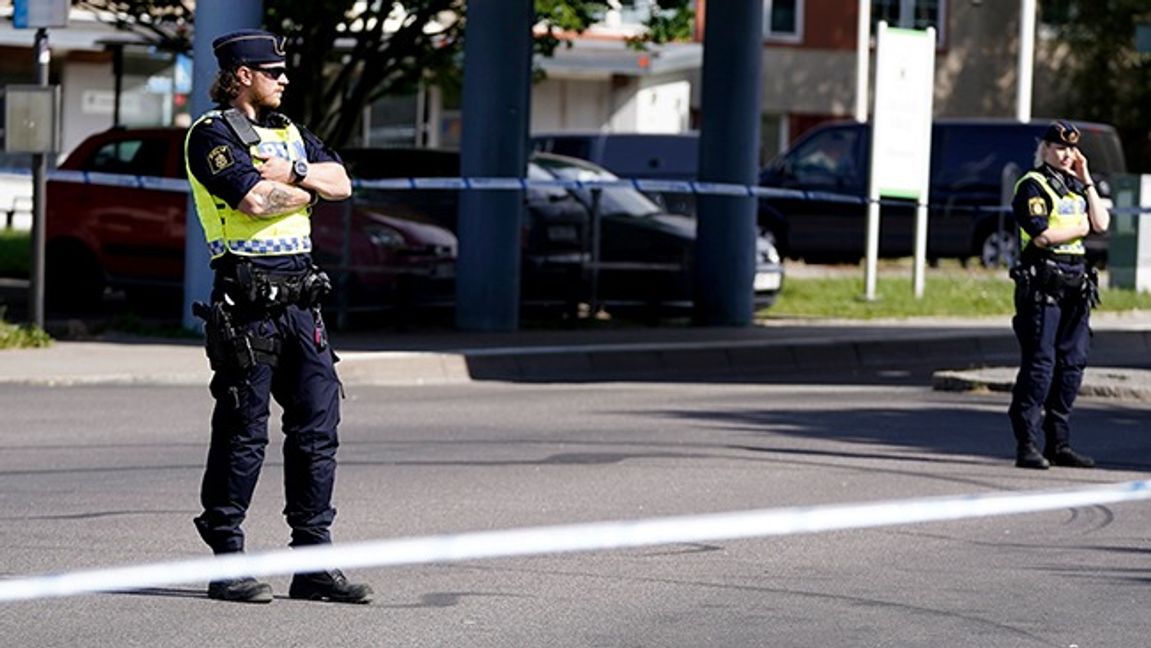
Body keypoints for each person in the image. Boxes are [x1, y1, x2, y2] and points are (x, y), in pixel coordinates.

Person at [184, 29, 373, 603]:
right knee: (243, 434)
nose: (284, 79)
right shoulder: (212, 135)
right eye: (273, 72)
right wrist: (303, 186)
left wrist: (290, 175)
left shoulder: (288, 134)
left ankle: (313, 562)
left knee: (318, 431)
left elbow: (342, 182)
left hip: (303, 304)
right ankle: (227, 559)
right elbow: (251, 201)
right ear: (241, 75)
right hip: (247, 306)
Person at [1007, 120, 1110, 470]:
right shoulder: (1032, 185)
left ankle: (1059, 443)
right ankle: (1027, 444)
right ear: (1045, 149)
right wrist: (1078, 228)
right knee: (1040, 366)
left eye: (1071, 149)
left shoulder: (1074, 186)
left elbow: (1102, 223)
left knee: (1071, 366)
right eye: (1059, 148)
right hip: (1042, 286)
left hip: (1075, 286)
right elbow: (1041, 235)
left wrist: (1087, 178)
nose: (1066, 155)